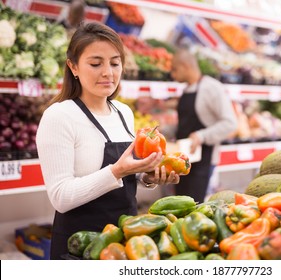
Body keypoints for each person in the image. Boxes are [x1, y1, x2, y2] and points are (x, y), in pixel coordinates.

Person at [36, 22, 180, 260]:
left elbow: (125, 177)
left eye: (115, 63)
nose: (108, 72)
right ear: (73, 67)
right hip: (80, 246)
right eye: (95, 64)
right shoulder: (59, 116)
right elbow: (60, 197)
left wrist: (147, 177)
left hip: (126, 241)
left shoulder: (123, 112)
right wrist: (115, 171)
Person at [170, 49, 238, 203]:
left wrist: (201, 136)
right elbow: (186, 123)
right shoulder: (187, 89)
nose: (172, 74)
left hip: (202, 161)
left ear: (185, 66)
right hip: (183, 158)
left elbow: (230, 123)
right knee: (179, 205)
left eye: (174, 69)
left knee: (195, 204)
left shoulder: (211, 88)